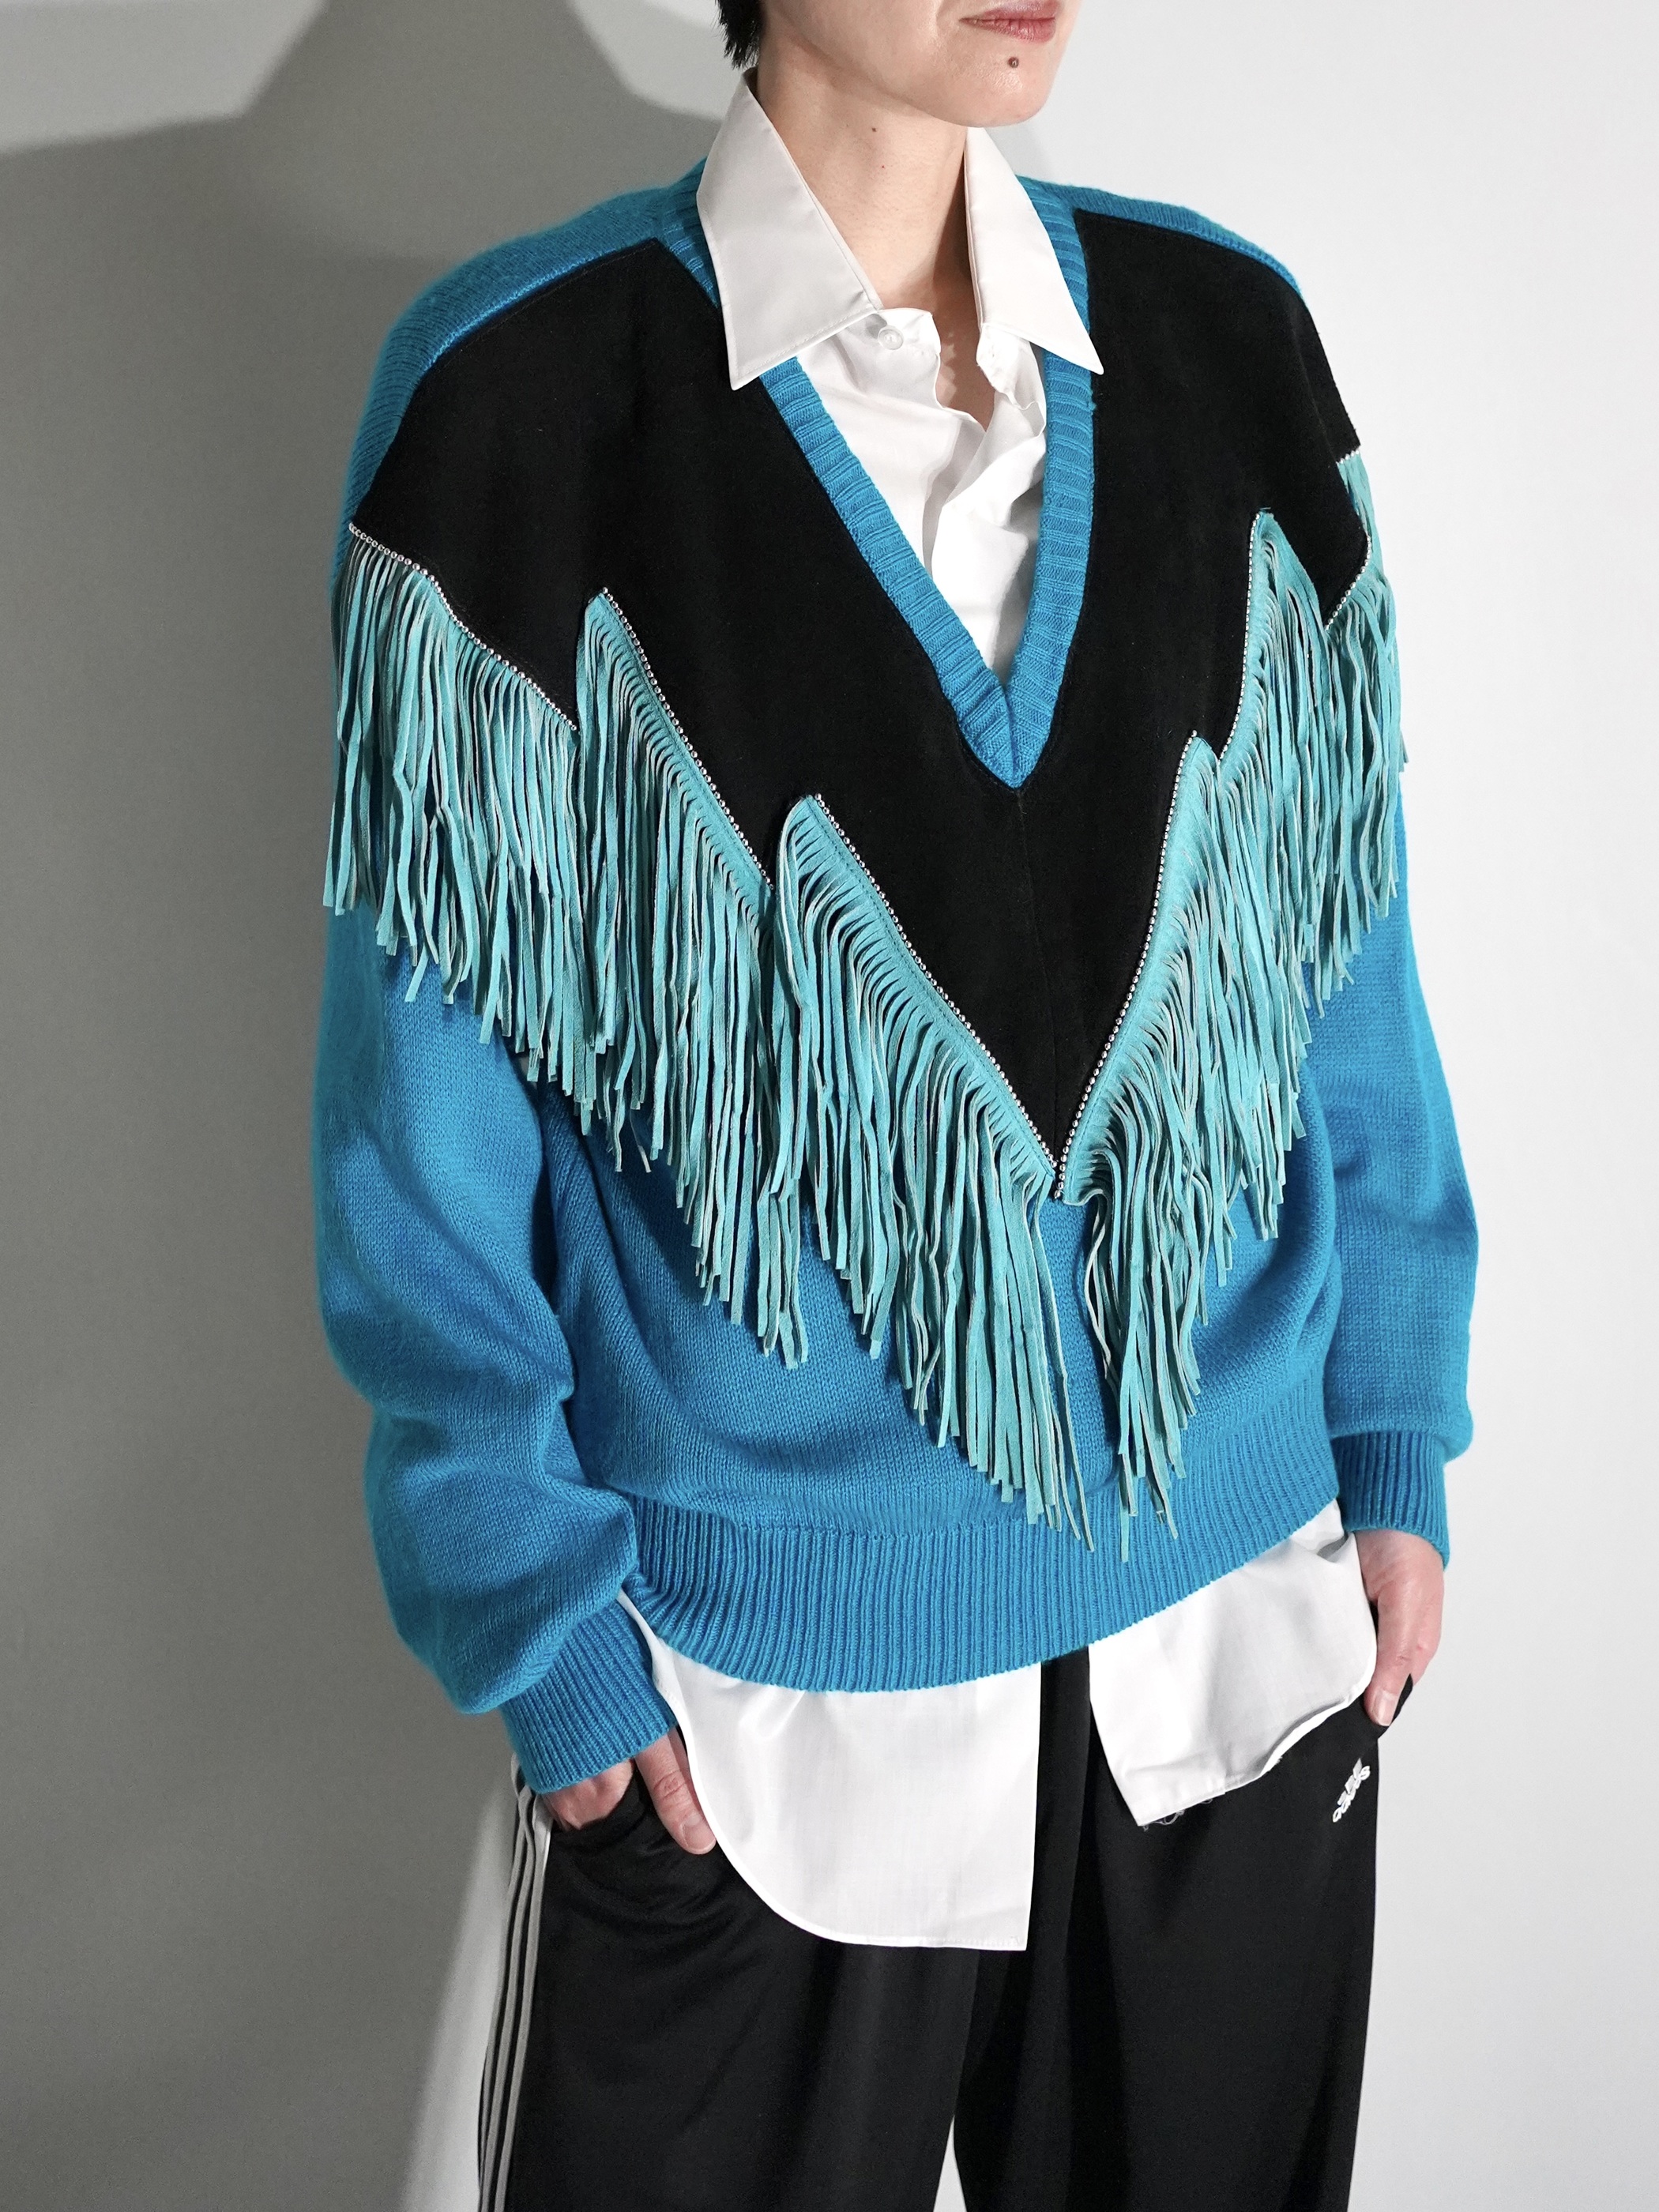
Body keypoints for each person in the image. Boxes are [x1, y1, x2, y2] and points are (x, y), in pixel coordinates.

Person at [312, 1, 1477, 2206]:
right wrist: (541, 1631)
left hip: (1234, 1649)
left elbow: (1338, 949)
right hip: (753, 1715)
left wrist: (1394, 1426)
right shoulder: (518, 399)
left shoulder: (1225, 340)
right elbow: (420, 1125)